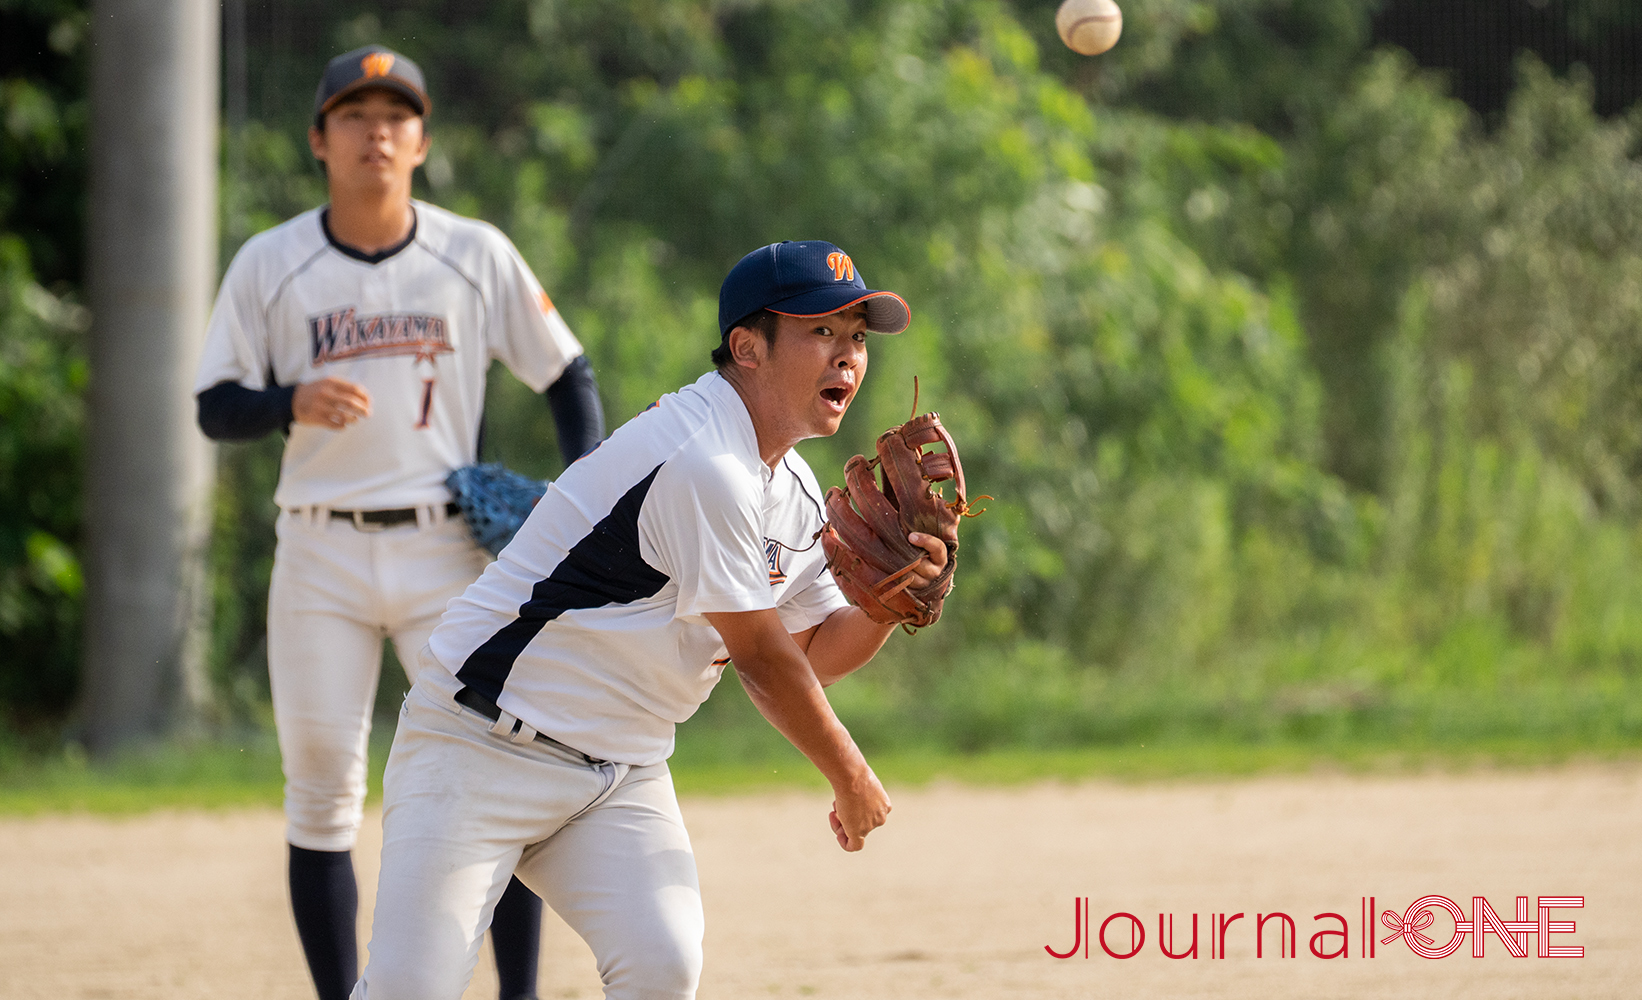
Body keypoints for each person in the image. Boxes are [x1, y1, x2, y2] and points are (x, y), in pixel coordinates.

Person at [346, 239, 951, 1000]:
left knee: (662, 966)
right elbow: (765, 662)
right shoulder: (704, 462)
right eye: (820, 331)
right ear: (747, 347)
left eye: (857, 337)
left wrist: (886, 603)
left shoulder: (786, 483)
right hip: (478, 748)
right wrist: (850, 776)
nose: (848, 358)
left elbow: (817, 652)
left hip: (616, 771)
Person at [193, 45, 604, 1000]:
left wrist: (576, 493)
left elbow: (567, 374)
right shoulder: (273, 261)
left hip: (446, 549)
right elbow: (215, 406)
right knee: (323, 792)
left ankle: (518, 994)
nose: (376, 131)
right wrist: (289, 399)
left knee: (493, 775)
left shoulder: (474, 252)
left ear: (421, 140)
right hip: (320, 553)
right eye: (353, 114)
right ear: (319, 139)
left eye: (396, 115)